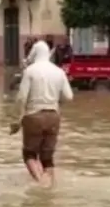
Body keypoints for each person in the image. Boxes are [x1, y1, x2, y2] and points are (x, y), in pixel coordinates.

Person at [13, 40, 74, 187]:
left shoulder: (30, 71)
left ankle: (40, 183)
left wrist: (17, 120)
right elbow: (69, 97)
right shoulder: (59, 72)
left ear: (34, 54)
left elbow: (21, 98)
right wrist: (56, 104)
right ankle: (50, 187)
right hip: (53, 116)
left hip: (33, 116)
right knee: (47, 158)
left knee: (29, 154)